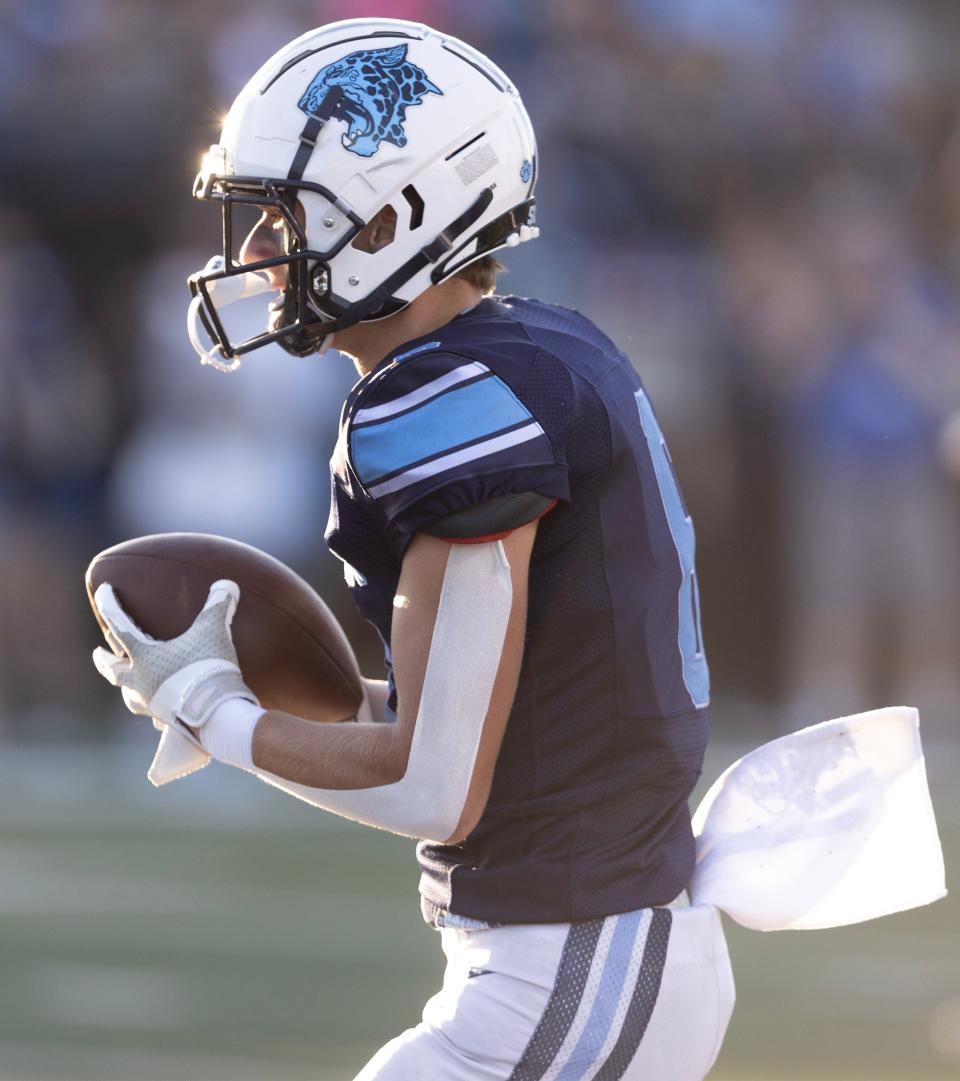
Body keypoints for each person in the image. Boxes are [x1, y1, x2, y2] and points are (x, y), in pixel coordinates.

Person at [92, 18, 735, 1080]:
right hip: (599, 945)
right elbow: (493, 713)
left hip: (569, 960)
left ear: (396, 215)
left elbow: (437, 788)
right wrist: (332, 701)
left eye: (287, 217)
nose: (257, 253)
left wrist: (213, 712)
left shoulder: (442, 401)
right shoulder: (532, 349)